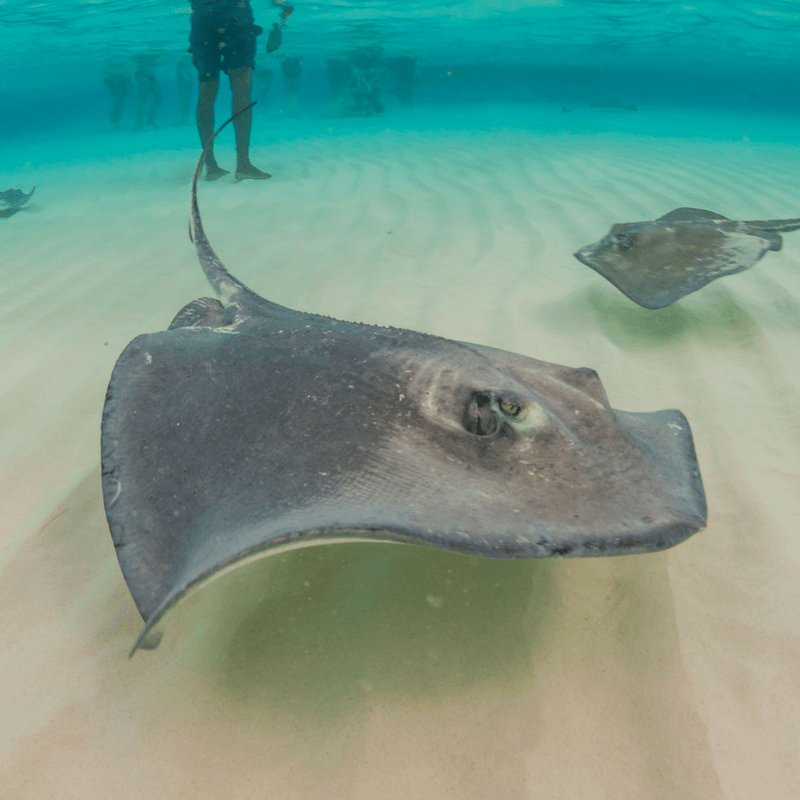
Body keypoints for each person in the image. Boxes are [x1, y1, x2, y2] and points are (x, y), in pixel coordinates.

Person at [188, 0, 269, 181]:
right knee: (241, 87)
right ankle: (243, 164)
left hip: (203, 16)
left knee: (206, 91)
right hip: (236, 14)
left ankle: (211, 166)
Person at [132, 51, 164, 130]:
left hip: (152, 76)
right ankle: (139, 123)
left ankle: (150, 120)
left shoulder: (155, 49)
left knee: (159, 98)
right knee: (143, 99)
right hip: (142, 74)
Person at [103, 59, 132, 129]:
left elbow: (127, 76)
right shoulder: (110, 69)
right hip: (114, 87)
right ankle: (114, 121)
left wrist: (130, 84)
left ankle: (116, 121)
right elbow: (106, 80)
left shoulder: (123, 67)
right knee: (116, 103)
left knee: (120, 104)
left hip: (122, 86)